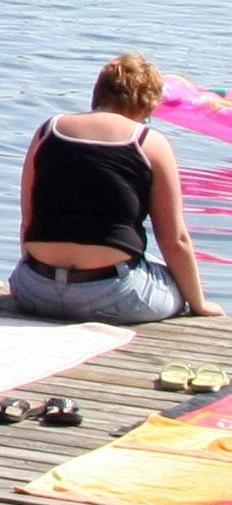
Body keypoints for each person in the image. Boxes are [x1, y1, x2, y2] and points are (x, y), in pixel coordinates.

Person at [12, 51, 220, 324]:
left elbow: (29, 219)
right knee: (173, 281)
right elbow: (174, 238)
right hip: (112, 295)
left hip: (34, 289)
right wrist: (199, 303)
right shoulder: (149, 142)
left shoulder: (48, 130)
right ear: (147, 102)